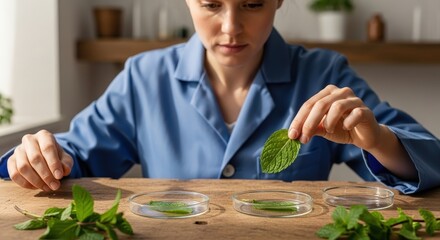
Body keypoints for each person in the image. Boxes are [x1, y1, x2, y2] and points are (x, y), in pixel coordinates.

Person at [1, 0, 439, 194]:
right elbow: (75, 154)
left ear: (278, 0)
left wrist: (377, 139)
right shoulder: (144, 76)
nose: (231, 27)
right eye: (211, 4)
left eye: (251, 4)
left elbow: (429, 158)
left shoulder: (323, 73)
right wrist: (38, 157)